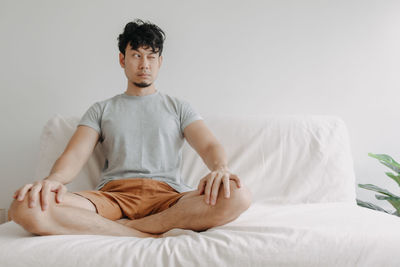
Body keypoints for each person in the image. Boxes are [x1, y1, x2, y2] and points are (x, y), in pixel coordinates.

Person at [8, 19, 252, 238]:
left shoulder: (178, 107)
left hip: (169, 197)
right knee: (23, 207)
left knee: (238, 195)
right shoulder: (101, 109)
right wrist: (52, 181)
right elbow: (74, 156)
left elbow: (209, 145)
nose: (144, 64)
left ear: (160, 62)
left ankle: (127, 230)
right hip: (112, 197)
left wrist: (221, 169)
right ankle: (147, 231)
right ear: (122, 59)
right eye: (136, 55)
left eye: (151, 56)